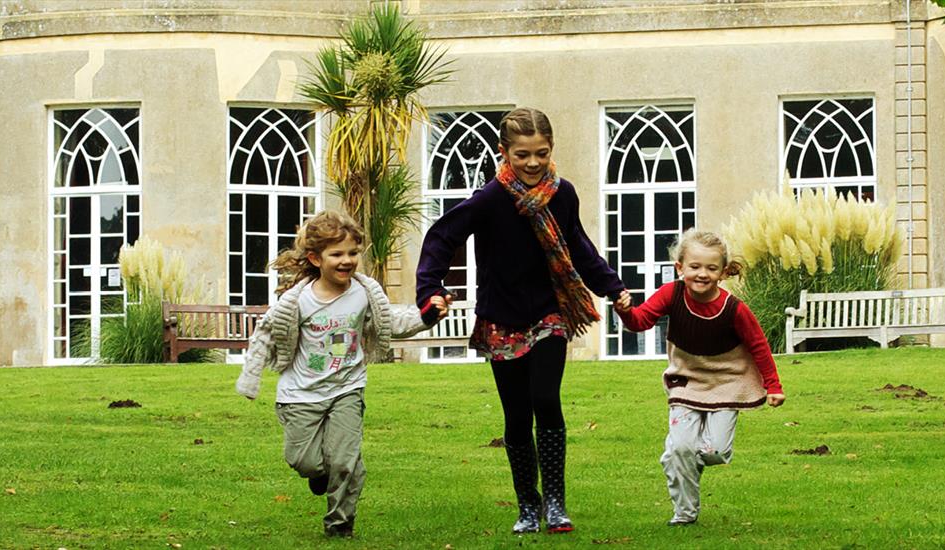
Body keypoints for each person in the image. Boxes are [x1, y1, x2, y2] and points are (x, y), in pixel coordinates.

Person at [414, 107, 626, 534]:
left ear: (551, 150)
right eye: (522, 154)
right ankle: (528, 505)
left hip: (550, 313)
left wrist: (611, 286)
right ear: (504, 152)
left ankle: (556, 504)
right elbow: (441, 237)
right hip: (501, 318)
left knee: (546, 399)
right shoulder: (490, 199)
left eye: (541, 153)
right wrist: (429, 290)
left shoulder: (562, 194)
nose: (532, 163)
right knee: (516, 415)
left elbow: (578, 246)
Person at [235, 210, 446, 538]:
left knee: (345, 462)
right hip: (300, 394)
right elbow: (264, 333)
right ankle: (321, 475)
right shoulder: (297, 301)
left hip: (347, 388)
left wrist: (427, 317)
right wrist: (251, 378)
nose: (346, 261)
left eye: (352, 253)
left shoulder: (365, 293)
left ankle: (340, 525)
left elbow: (391, 322)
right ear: (315, 258)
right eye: (337, 254)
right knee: (304, 462)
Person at [611, 227, 785, 526]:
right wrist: (625, 311)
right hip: (687, 379)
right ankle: (684, 513)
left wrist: (774, 386)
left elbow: (758, 345)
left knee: (715, 450)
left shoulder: (734, 309)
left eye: (710, 268)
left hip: (729, 382)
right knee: (681, 447)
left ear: (722, 272)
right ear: (680, 267)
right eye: (694, 266)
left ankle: (680, 461)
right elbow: (640, 322)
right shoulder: (671, 294)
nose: (701, 274)